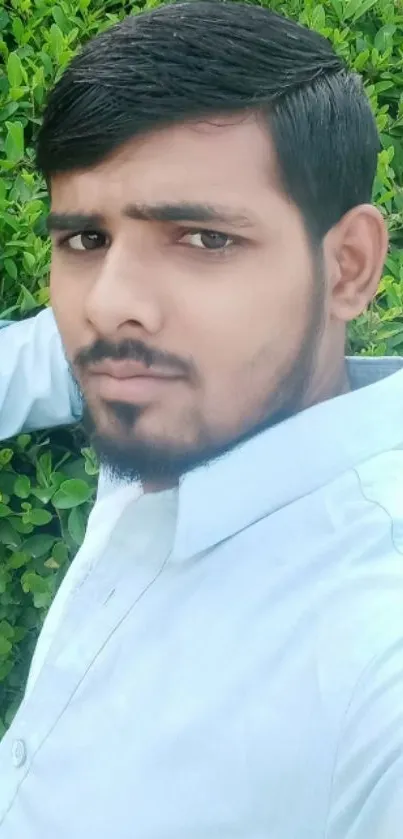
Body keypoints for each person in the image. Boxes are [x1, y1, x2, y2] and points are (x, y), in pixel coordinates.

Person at [0, 2, 403, 836]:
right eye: (83, 238)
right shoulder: (192, 389)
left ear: (348, 267)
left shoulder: (375, 663)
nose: (109, 307)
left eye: (204, 240)